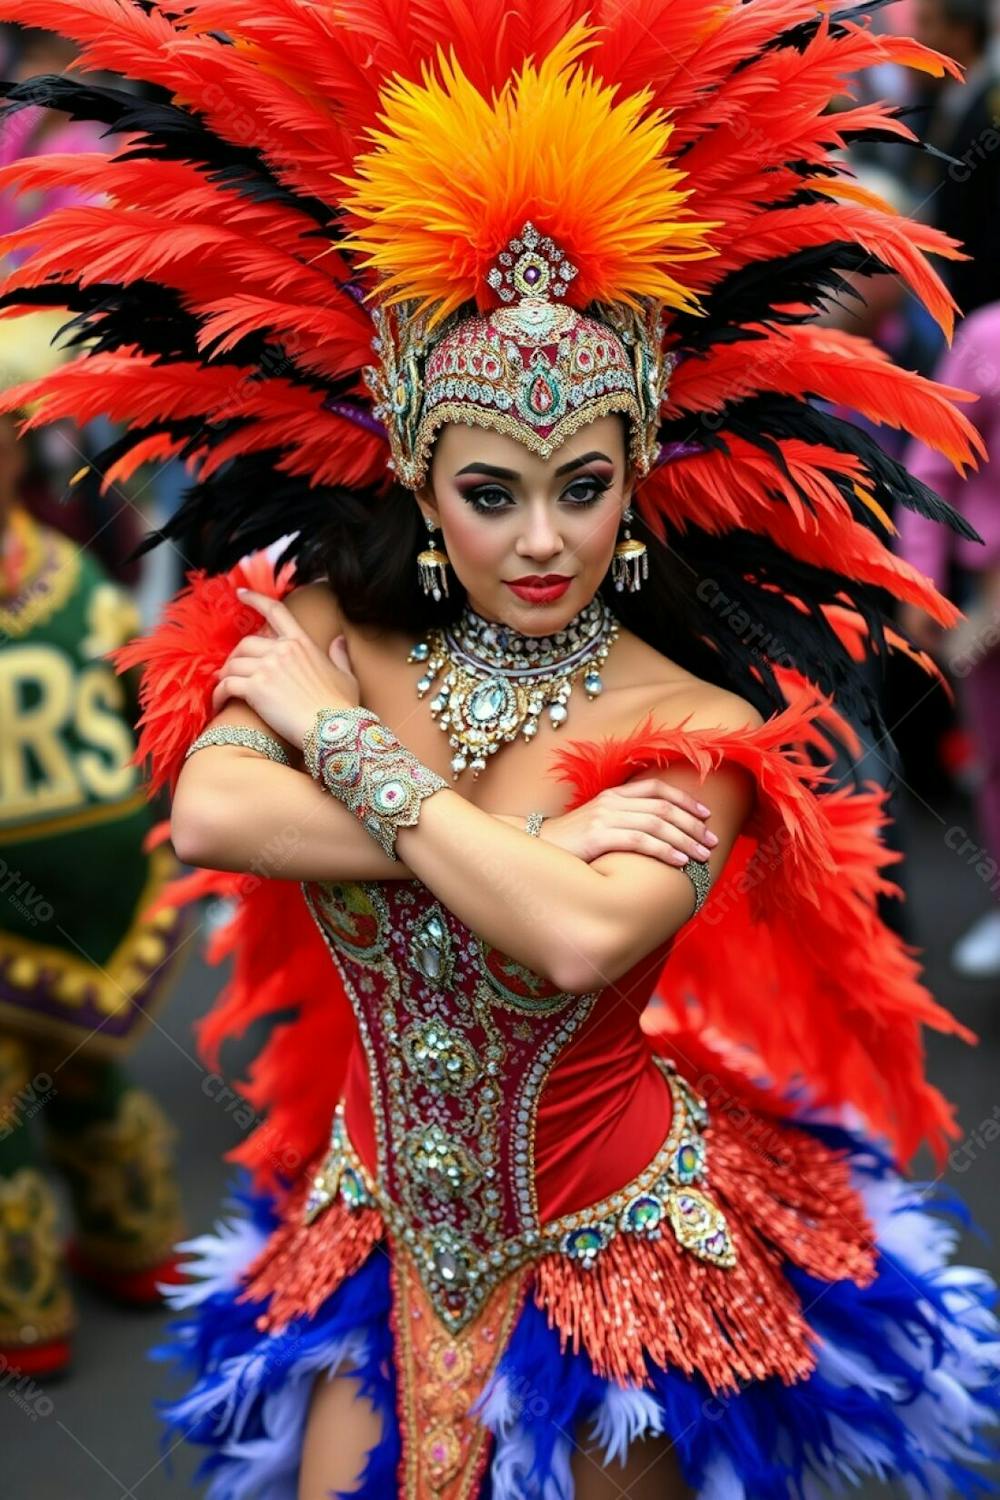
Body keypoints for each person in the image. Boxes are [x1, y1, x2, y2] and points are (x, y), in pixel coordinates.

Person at [1, 1, 999, 1494]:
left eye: (583, 486)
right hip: (376, 1225)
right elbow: (211, 812)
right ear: (415, 463)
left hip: (614, 1255)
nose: (543, 540)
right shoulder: (331, 620)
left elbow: (587, 939)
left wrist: (336, 750)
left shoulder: (697, 714)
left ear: (636, 472)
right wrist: (513, 842)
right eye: (490, 492)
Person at [0, 409, 191, 1376]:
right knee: (44, 1091)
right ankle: (82, 1275)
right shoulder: (73, 573)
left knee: (55, 1082)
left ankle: (81, 1274)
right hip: (68, 894)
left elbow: (141, 706)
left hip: (76, 898)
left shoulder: (71, 574)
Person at [898, 299, 1000, 977]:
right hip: (991, 601)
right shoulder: (987, 337)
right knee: (994, 762)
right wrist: (921, 582)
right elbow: (934, 463)